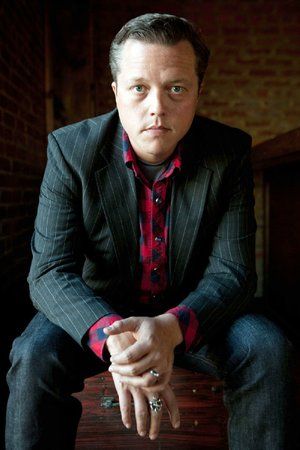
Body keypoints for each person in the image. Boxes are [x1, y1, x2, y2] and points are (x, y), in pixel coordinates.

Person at [5, 13, 296, 450]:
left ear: (198, 92)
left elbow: (234, 273)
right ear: (117, 91)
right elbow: (49, 273)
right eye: (139, 87)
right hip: (99, 305)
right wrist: (116, 340)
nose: (157, 106)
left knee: (269, 349)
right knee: (32, 358)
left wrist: (169, 328)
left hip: (194, 309)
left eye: (176, 88)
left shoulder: (228, 151)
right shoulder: (69, 150)